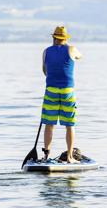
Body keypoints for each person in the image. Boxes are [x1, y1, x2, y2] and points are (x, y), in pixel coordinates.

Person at [41, 26, 82, 163]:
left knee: (49, 123)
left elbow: (45, 71)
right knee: (69, 124)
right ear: (65, 38)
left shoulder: (46, 51)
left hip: (51, 90)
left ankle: (46, 155)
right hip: (67, 91)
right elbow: (80, 57)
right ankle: (70, 157)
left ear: (54, 38)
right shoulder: (72, 49)